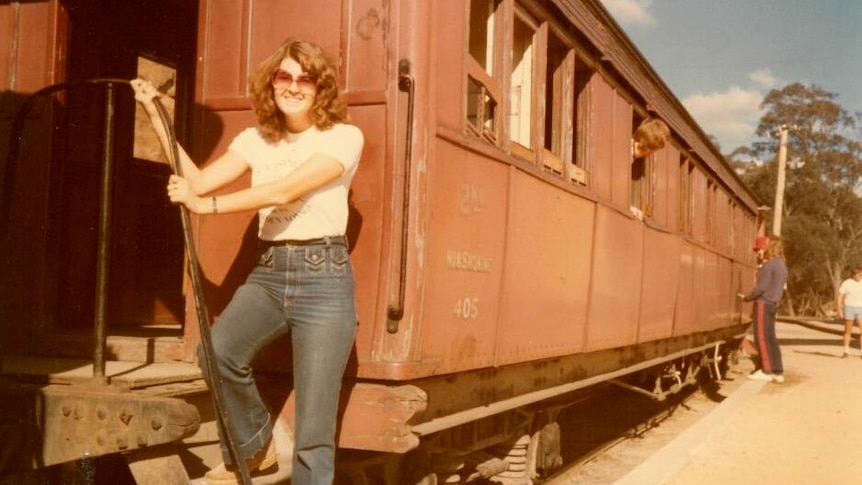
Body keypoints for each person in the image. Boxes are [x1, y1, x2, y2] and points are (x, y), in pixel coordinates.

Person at [131, 39, 363, 485]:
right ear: (271, 83)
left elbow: (284, 191)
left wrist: (207, 207)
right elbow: (197, 179)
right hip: (271, 272)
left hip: (324, 277)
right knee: (218, 352)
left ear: (320, 88)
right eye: (284, 77)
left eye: (304, 79)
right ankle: (254, 446)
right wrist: (156, 116)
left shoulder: (343, 137)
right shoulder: (255, 139)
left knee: (314, 428)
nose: (292, 87)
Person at [737, 237, 788, 383]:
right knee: (771, 337)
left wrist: (747, 298)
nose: (760, 252)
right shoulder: (782, 265)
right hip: (773, 304)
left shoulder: (769, 265)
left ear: (768, 249)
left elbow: (761, 287)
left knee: (761, 337)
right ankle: (778, 371)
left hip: (763, 304)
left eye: (761, 249)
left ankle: (766, 370)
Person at [836, 265, 862, 358]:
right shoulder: (847, 283)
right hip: (849, 307)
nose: (860, 276)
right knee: (848, 330)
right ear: (853, 275)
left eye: (861, 274)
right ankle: (846, 351)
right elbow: (840, 296)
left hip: (860, 308)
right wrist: (839, 309)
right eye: (859, 275)